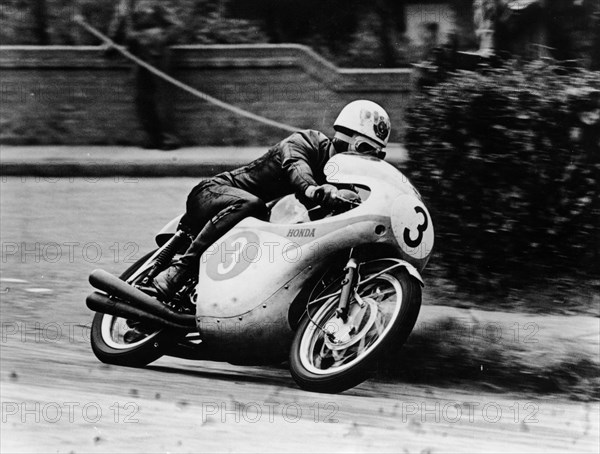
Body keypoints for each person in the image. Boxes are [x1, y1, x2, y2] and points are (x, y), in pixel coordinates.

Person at [152, 100, 392, 300]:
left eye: (377, 155)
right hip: (214, 193)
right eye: (363, 148)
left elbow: (321, 226)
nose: (368, 159)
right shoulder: (305, 142)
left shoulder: (340, 186)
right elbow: (296, 169)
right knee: (251, 204)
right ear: (343, 137)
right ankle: (181, 269)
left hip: (252, 228)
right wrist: (314, 190)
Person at [106, 0, 182, 150]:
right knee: (141, 98)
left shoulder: (155, 2)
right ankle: (152, 137)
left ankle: (169, 138)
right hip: (138, 56)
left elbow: (176, 26)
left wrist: (158, 41)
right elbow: (116, 29)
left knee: (163, 96)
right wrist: (110, 45)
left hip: (158, 55)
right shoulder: (123, 6)